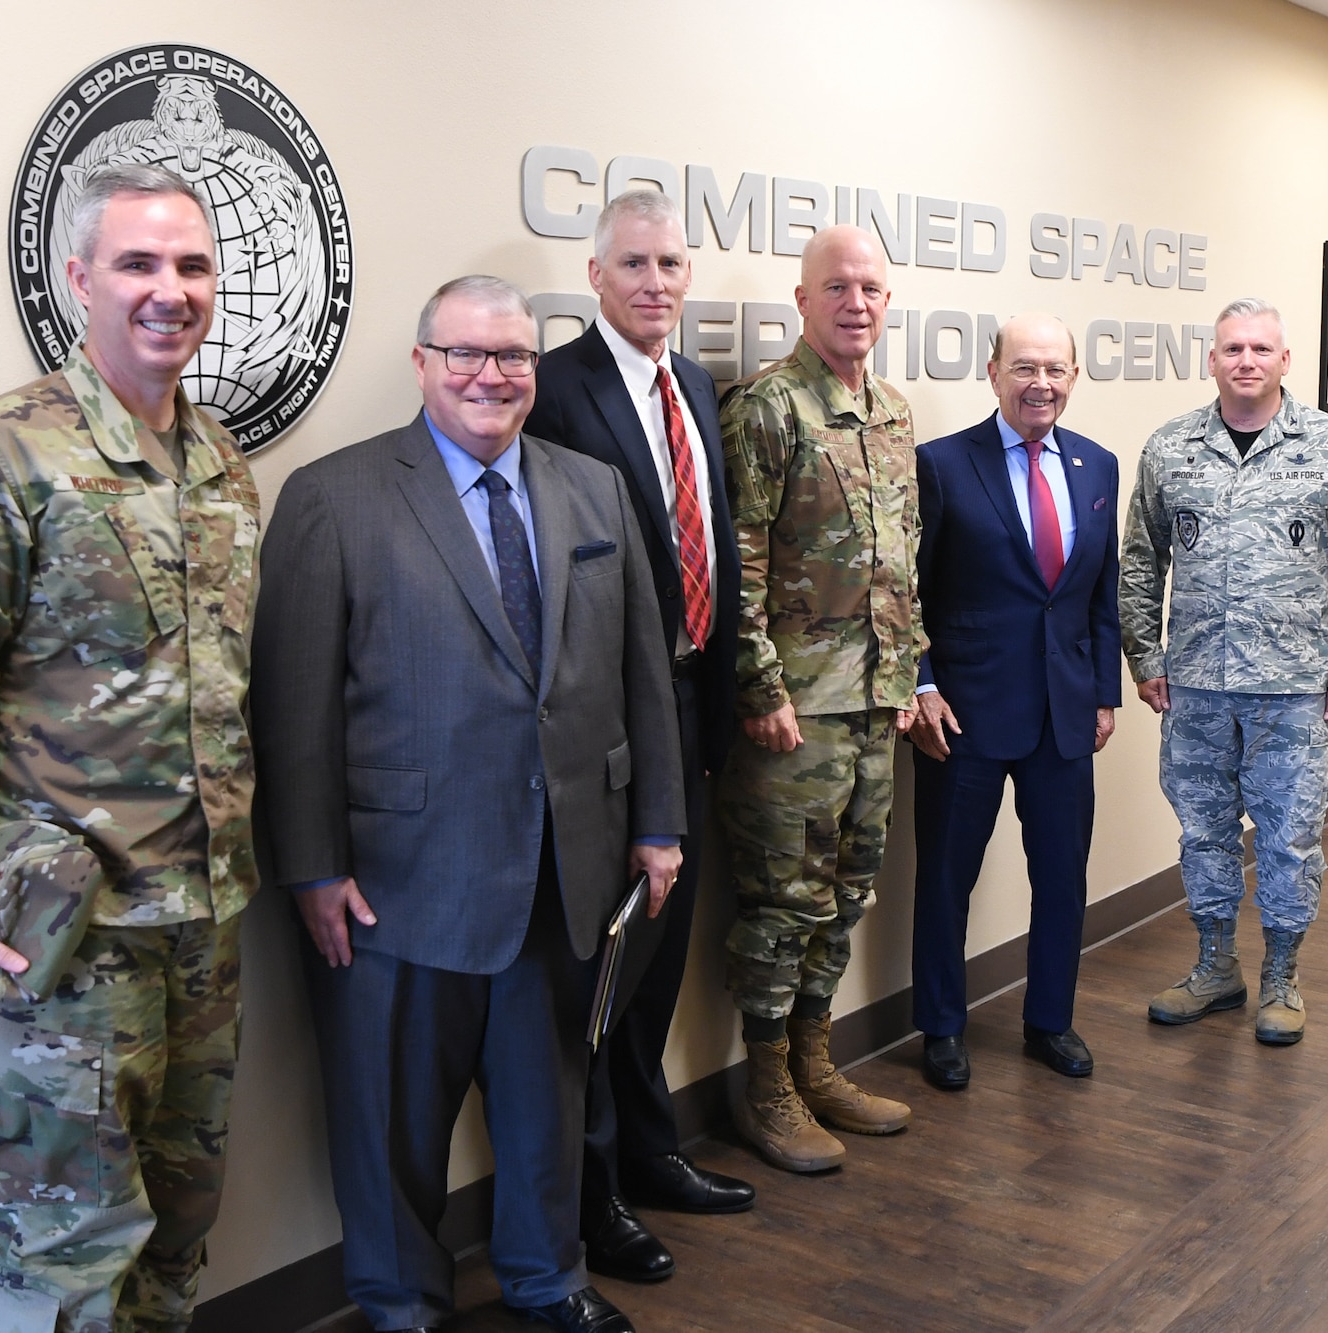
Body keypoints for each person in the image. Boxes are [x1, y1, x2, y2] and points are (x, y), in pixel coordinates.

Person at [0, 163, 260, 1333]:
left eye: (189, 265)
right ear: (78, 277)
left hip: (205, 918)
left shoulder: (222, 462)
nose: (167, 290)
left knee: (180, 1230)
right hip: (66, 938)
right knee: (68, 1251)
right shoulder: (2, 451)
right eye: (137, 263)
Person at [251, 276, 686, 1333]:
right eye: (466, 355)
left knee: (547, 1102)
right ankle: (401, 1301)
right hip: (396, 881)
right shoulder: (334, 495)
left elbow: (642, 668)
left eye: (513, 358)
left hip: (564, 863)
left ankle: (548, 1275)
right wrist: (310, 866)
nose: (491, 376)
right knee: (390, 1115)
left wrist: (658, 820)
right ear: (420, 363)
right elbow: (291, 701)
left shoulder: (590, 490)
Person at [526, 190, 755, 1284]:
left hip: (689, 714)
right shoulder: (553, 391)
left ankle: (655, 1152)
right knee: (601, 978)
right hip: (605, 729)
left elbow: (711, 550)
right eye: (633, 264)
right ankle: (595, 1199)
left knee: (657, 969)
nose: (654, 282)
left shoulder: (695, 385)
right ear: (594, 276)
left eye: (669, 263)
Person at [1121, 297, 1328, 1046]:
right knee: (1204, 832)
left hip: (1292, 688)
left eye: (1261, 349)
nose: (1246, 360)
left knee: (1289, 836)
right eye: (1232, 348)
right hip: (1196, 686)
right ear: (1211, 360)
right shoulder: (1170, 448)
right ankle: (1215, 966)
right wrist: (1144, 655)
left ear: (1285, 360)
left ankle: (1282, 974)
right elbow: (1141, 560)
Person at [717, 224, 924, 1173]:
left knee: (846, 892)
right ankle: (764, 1087)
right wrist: (759, 688)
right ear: (803, 301)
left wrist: (910, 676)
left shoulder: (891, 411)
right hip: (793, 712)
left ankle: (815, 1064)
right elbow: (738, 567)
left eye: (872, 288)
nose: (856, 302)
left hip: (875, 704)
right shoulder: (768, 408)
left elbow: (900, 566)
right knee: (781, 900)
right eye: (837, 286)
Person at [906, 314, 1120, 1088]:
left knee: (1062, 875)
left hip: (1065, 712)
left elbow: (1098, 595)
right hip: (964, 711)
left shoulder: (1098, 467)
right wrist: (922, 682)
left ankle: (1050, 1019)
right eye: (1025, 367)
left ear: (1073, 378)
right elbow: (908, 592)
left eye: (1056, 369)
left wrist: (1104, 692)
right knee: (946, 876)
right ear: (993, 373)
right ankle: (941, 1026)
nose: (1042, 383)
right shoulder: (940, 464)